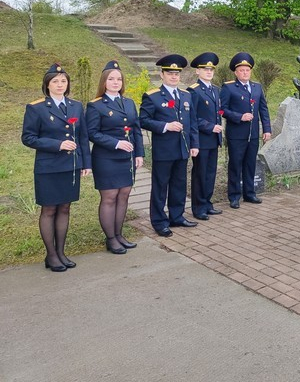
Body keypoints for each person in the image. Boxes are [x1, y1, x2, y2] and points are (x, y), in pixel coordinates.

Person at [21, 64, 91, 272]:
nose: (60, 85)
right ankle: (51, 255)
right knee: (49, 209)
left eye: (63, 81)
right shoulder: (37, 107)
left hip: (70, 166)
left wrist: (85, 163)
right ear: (47, 85)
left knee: (65, 208)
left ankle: (61, 252)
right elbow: (28, 138)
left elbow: (83, 137)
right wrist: (57, 144)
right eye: (55, 81)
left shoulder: (76, 106)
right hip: (48, 167)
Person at [86, 61, 145, 254]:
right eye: (111, 79)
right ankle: (110, 238)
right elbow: (92, 133)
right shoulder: (95, 105)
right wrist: (116, 143)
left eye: (119, 79)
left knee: (124, 195)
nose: (115, 82)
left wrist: (139, 153)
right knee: (110, 197)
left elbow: (136, 130)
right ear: (104, 81)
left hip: (127, 158)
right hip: (106, 157)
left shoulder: (128, 102)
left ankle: (119, 234)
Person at [140, 54, 200, 237]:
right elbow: (143, 120)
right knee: (160, 186)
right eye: (170, 73)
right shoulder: (153, 97)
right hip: (164, 150)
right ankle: (159, 221)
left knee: (179, 184)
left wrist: (194, 144)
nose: (174, 76)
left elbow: (193, 123)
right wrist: (165, 126)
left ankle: (177, 216)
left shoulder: (186, 95)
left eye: (177, 73)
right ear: (162, 75)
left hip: (182, 148)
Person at [220, 52, 271, 208]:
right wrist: (239, 116)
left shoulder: (257, 87)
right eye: (241, 70)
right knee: (235, 164)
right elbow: (221, 110)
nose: (244, 73)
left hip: (253, 133)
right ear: (235, 72)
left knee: (250, 164)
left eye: (247, 70)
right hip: (236, 134)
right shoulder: (228, 88)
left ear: (250, 71)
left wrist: (267, 129)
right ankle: (234, 196)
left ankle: (249, 193)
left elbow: (263, 109)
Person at [187, 52, 223, 220]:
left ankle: (207, 203)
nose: (209, 72)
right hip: (201, 139)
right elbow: (192, 118)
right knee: (200, 174)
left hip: (213, 140)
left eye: (211, 69)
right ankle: (198, 207)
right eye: (205, 69)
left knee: (210, 173)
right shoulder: (193, 91)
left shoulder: (215, 90)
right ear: (197, 71)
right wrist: (210, 127)